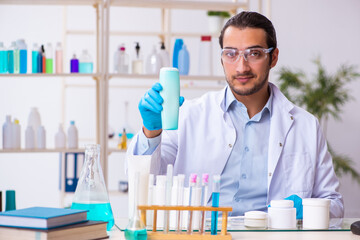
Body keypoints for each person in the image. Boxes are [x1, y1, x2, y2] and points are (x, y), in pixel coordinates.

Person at [127, 11, 344, 218]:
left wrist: (306, 209)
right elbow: (145, 182)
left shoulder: (305, 126)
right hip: (205, 235)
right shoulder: (189, 116)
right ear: (222, 58)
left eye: (254, 53)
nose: (241, 67)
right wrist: (151, 131)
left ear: (273, 57)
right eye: (231, 54)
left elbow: (333, 203)